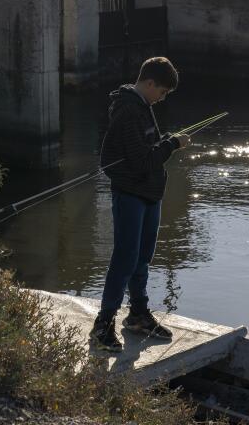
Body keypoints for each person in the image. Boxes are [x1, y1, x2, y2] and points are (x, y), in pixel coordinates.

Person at [89, 56, 191, 353]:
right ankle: (103, 324)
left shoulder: (142, 107)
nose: (162, 98)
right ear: (149, 83)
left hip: (149, 194)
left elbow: (147, 149)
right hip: (130, 194)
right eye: (162, 92)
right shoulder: (128, 110)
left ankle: (138, 315)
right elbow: (142, 160)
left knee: (143, 257)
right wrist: (173, 144)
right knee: (125, 258)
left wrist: (167, 142)